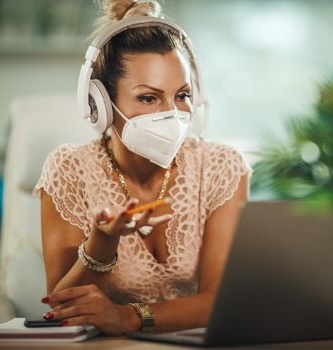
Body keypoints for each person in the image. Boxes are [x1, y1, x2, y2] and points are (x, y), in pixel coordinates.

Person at [34, 0, 250, 336]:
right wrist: (102, 245)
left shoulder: (222, 167)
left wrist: (129, 317)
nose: (172, 114)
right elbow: (63, 307)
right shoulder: (68, 170)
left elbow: (220, 301)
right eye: (149, 98)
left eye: (182, 95)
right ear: (101, 104)